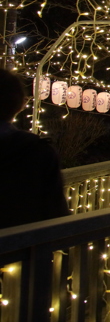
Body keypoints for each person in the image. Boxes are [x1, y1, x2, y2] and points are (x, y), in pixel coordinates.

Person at [0, 69, 71, 228]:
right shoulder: (38, 151)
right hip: (26, 247)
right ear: (20, 105)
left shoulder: (38, 150)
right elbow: (57, 212)